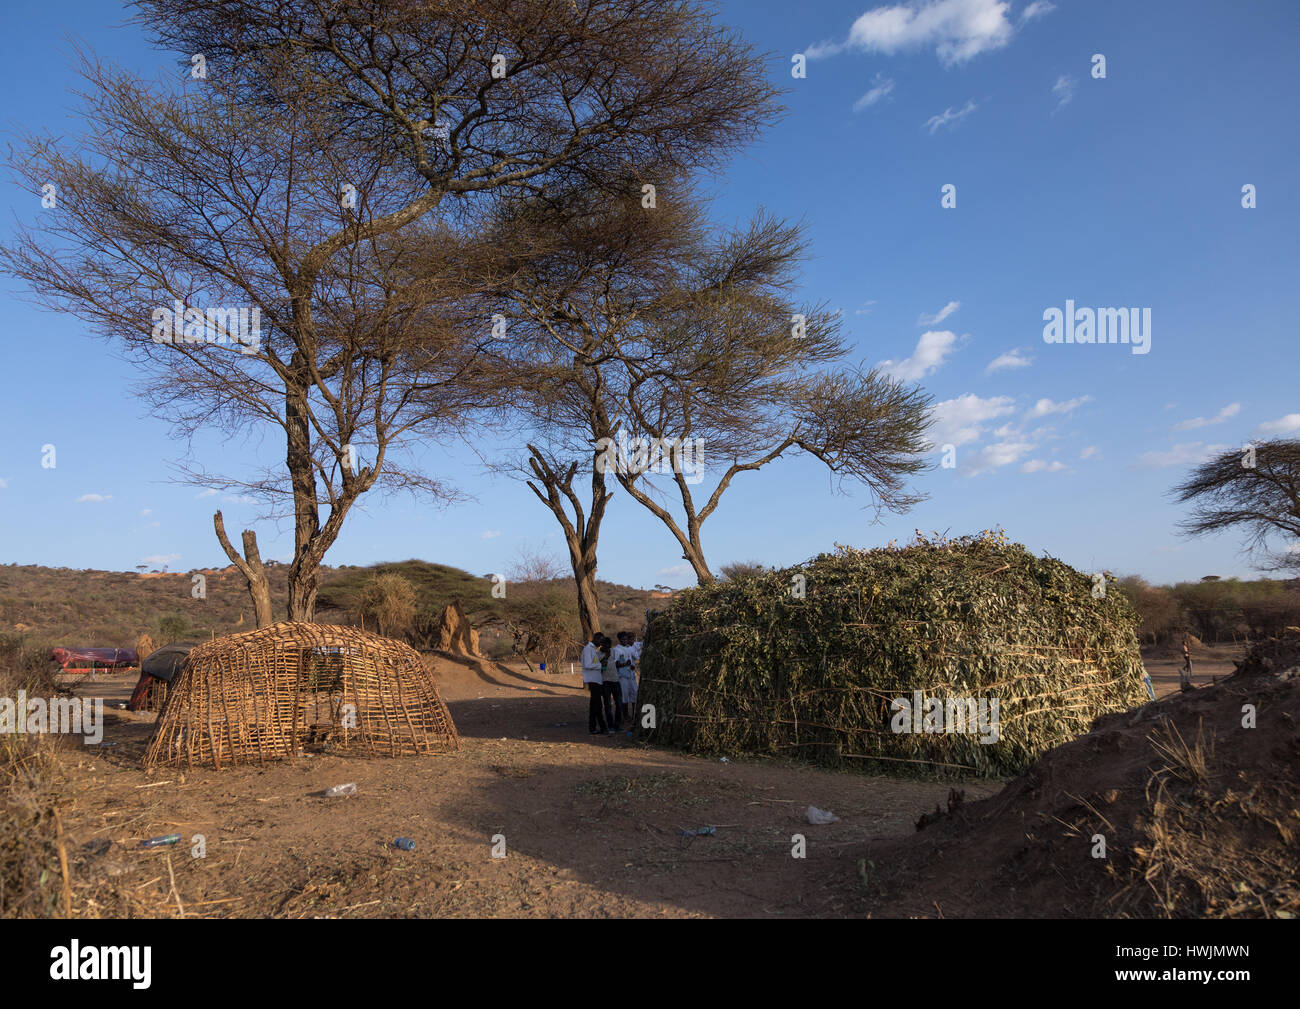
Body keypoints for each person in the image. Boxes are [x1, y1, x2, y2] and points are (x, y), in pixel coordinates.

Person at [581, 632, 608, 735]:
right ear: (596, 638)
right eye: (600, 641)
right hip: (593, 680)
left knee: (594, 706)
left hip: (596, 679)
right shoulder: (588, 649)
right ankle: (602, 727)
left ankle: (593, 728)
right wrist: (600, 666)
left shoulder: (593, 649)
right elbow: (587, 665)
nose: (600, 644)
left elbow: (593, 663)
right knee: (597, 706)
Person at [613, 631, 638, 729]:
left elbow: (635, 658)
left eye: (626, 639)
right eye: (623, 639)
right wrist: (624, 664)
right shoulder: (617, 650)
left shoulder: (630, 648)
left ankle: (634, 714)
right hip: (622, 676)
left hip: (631, 675)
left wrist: (632, 666)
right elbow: (615, 664)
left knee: (634, 693)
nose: (625, 641)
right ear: (619, 640)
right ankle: (625, 715)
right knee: (624, 695)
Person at [598, 633, 622, 733]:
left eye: (607, 645)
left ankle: (617, 725)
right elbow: (600, 670)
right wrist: (604, 660)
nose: (606, 647)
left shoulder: (613, 651)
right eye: (604, 645)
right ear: (601, 645)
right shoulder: (599, 655)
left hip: (615, 680)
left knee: (619, 704)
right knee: (607, 705)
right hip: (605, 682)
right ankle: (610, 725)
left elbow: (616, 663)